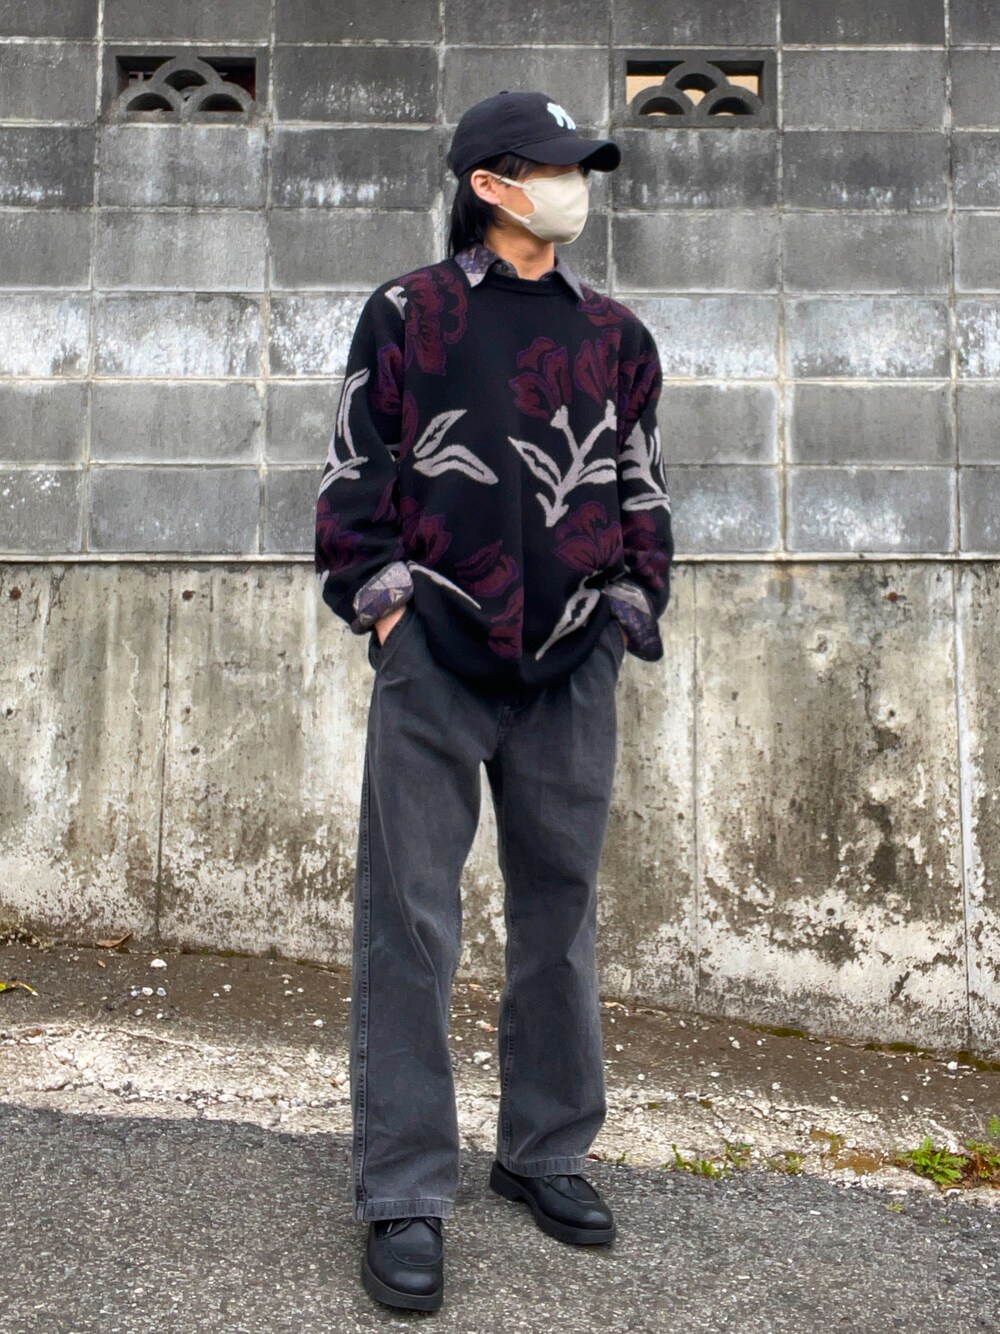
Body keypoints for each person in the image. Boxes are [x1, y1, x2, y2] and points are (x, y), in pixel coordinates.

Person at [314, 89, 674, 1314]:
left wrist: (630, 600)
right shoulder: (409, 311)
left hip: (571, 659)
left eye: (581, 168)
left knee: (559, 913)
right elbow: (356, 465)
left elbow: (638, 476)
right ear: (490, 184)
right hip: (436, 651)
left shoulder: (614, 331)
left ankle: (543, 1150)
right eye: (554, 167)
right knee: (409, 925)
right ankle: (404, 1187)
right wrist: (385, 604)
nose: (574, 187)